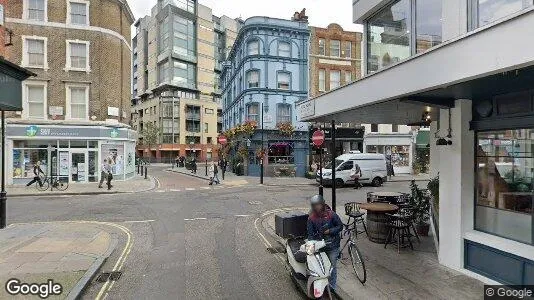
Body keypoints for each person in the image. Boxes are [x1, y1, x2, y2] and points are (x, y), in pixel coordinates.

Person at [307, 194, 342, 291]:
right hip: (320, 247)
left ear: (322, 204)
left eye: (318, 205)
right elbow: (310, 234)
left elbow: (340, 226)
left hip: (333, 246)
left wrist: (330, 231)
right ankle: (321, 285)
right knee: (320, 268)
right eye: (314, 205)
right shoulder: (311, 218)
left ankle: (332, 287)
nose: (316, 207)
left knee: (332, 267)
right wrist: (311, 245)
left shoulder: (331, 214)